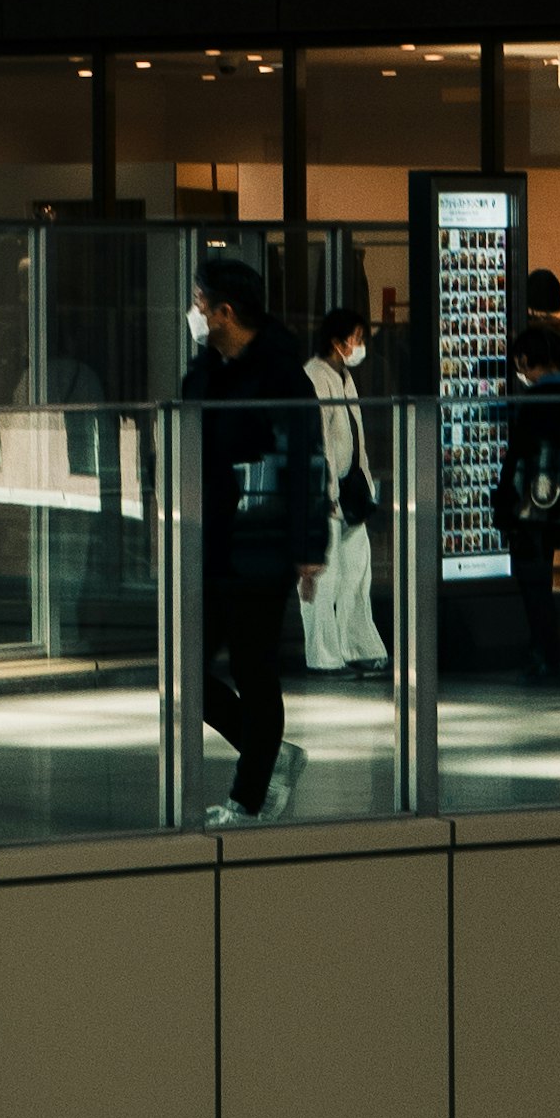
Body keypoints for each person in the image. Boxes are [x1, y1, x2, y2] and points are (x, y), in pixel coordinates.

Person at [179, 251, 330, 825]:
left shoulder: (280, 376)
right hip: (211, 542)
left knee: (253, 668)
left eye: (199, 303)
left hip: (261, 547)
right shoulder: (207, 369)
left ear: (224, 311)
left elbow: (304, 464)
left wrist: (307, 548)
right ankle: (269, 755)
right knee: (186, 668)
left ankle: (247, 797)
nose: (194, 313)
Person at [495, 307, 560, 679]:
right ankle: (549, 655)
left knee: (533, 585)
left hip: (528, 507)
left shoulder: (536, 403)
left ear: (525, 358)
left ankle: (546, 655)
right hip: (554, 504)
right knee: (542, 579)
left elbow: (521, 455)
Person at [299, 285, 387, 672]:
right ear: (337, 342)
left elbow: (355, 437)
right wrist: (327, 491)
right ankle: (325, 655)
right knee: (327, 579)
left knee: (356, 574)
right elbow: (321, 440)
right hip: (329, 492)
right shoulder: (316, 377)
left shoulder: (344, 377)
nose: (359, 346)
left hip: (351, 490)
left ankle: (357, 645)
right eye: (356, 340)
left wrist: (364, 484)